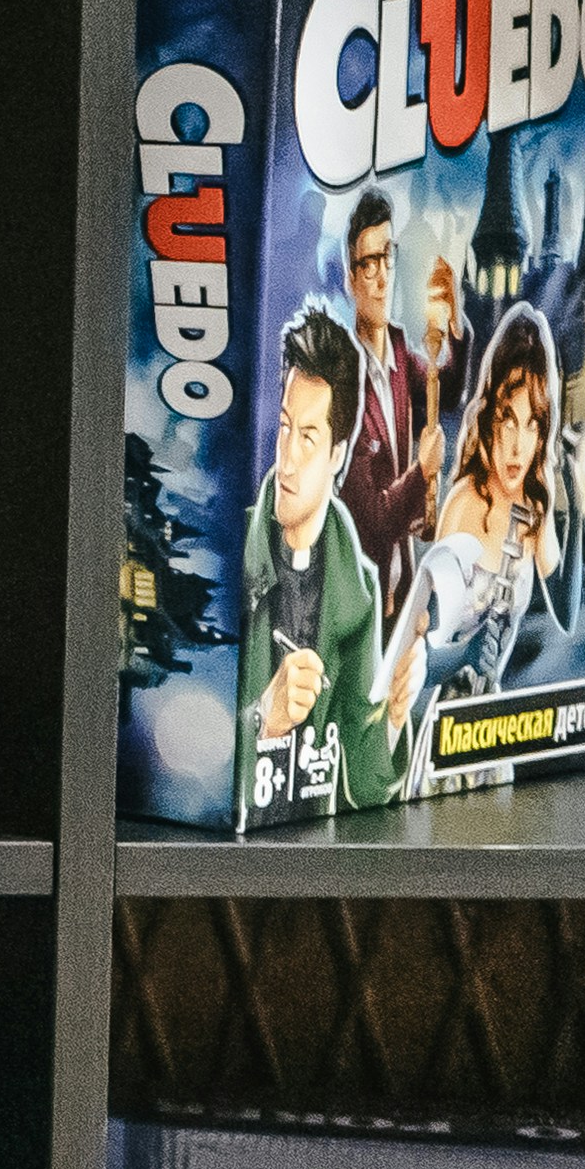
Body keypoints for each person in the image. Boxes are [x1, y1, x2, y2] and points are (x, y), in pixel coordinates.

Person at [242, 301, 397, 816]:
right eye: (285, 426)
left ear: (338, 455)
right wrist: (264, 720)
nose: (287, 459)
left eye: (308, 437)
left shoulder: (360, 590)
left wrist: (396, 713)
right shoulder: (234, 554)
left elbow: (366, 782)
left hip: (313, 842)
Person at [399, 304, 565, 761]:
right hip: (440, 724)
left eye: (531, 425)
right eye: (508, 420)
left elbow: (562, 602)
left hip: (491, 728)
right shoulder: (464, 503)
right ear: (490, 417)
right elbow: (423, 641)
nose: (517, 445)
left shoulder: (532, 507)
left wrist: (551, 488)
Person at [332, 190, 443, 582]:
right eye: (368, 265)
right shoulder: (342, 381)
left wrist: (453, 325)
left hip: (403, 579)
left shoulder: (399, 352)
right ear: (351, 278)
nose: (382, 278)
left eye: (388, 258)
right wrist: (421, 471)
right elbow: (373, 520)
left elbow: (445, 386)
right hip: (363, 590)